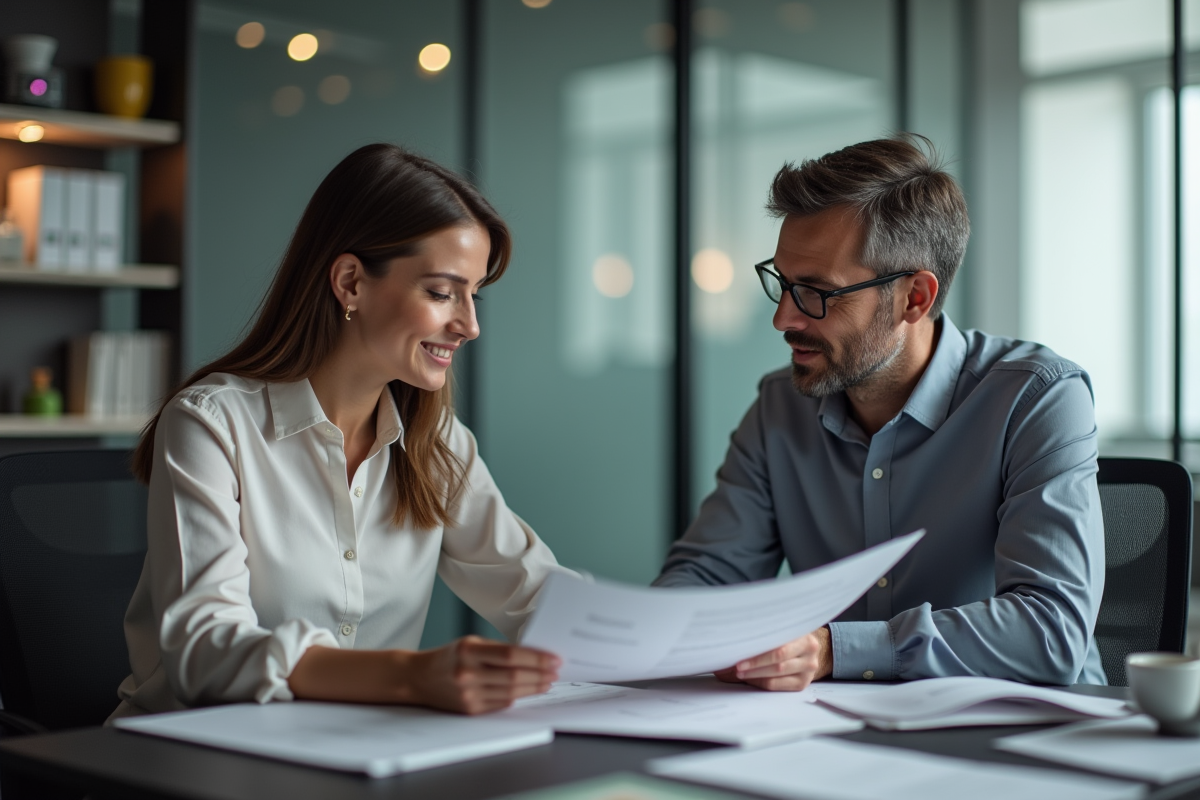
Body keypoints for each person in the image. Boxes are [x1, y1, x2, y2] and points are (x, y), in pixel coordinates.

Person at [111, 144, 567, 721]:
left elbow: (538, 595)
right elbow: (205, 651)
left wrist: (695, 651)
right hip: (188, 759)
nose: (470, 325)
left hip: (356, 757)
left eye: (474, 294)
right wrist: (411, 676)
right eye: (441, 291)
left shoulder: (436, 441)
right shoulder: (211, 423)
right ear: (351, 282)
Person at [655, 135, 1106, 689]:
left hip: (1028, 740)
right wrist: (658, 630)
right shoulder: (780, 407)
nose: (783, 319)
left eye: (817, 293)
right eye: (783, 283)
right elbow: (705, 576)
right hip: (836, 736)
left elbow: (1050, 631)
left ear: (914, 298)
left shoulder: (1037, 399)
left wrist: (830, 650)